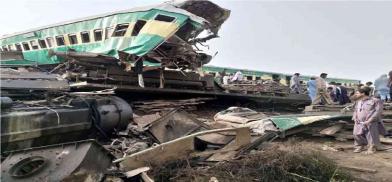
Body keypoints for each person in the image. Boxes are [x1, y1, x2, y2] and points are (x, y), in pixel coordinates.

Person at [352, 87, 386, 154]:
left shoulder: (376, 101)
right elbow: (356, 110)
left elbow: (378, 112)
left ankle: (371, 148)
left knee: (371, 135)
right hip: (358, 121)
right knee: (356, 134)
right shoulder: (358, 101)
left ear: (363, 93)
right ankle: (360, 146)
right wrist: (355, 117)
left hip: (371, 122)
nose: (356, 94)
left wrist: (370, 120)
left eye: (357, 93)